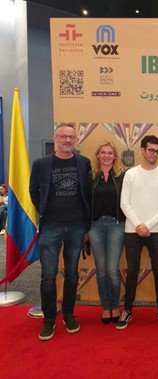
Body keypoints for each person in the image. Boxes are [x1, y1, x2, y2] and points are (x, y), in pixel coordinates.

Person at [29, 123, 91, 341]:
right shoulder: (41, 164)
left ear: (75, 140)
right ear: (55, 138)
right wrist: (44, 211)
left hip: (76, 227)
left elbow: (88, 196)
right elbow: (33, 191)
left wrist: (86, 226)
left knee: (72, 274)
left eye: (71, 137)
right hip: (50, 228)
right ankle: (48, 320)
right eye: (63, 136)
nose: (67, 140)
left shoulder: (84, 163)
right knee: (48, 276)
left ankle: (69, 315)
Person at [117, 135, 158, 329]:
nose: (154, 154)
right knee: (132, 271)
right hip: (132, 230)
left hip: (156, 231)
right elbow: (124, 203)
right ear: (142, 150)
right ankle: (127, 310)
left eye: (157, 151)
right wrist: (139, 225)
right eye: (151, 150)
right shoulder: (131, 174)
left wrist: (147, 225)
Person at [88, 141, 125, 325]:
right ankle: (105, 307)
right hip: (95, 226)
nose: (106, 156)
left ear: (115, 156)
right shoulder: (90, 176)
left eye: (110, 153)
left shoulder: (121, 176)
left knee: (112, 270)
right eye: (103, 152)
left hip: (116, 225)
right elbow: (84, 203)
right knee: (101, 270)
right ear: (97, 155)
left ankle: (115, 305)